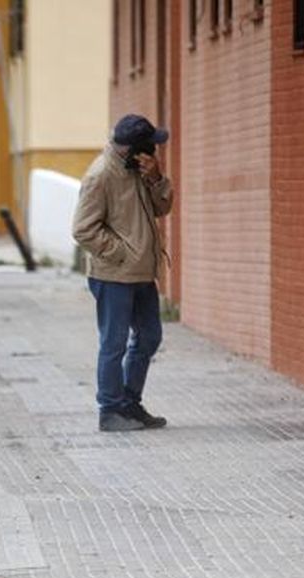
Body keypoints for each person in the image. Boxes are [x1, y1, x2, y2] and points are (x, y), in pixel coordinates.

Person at [72, 114, 175, 432]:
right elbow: (83, 229)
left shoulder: (138, 170)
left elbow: (162, 208)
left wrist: (157, 179)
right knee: (113, 343)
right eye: (149, 146)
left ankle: (130, 404)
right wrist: (122, 253)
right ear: (131, 148)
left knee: (149, 337)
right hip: (113, 276)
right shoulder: (101, 176)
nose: (154, 152)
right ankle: (110, 410)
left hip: (142, 273)